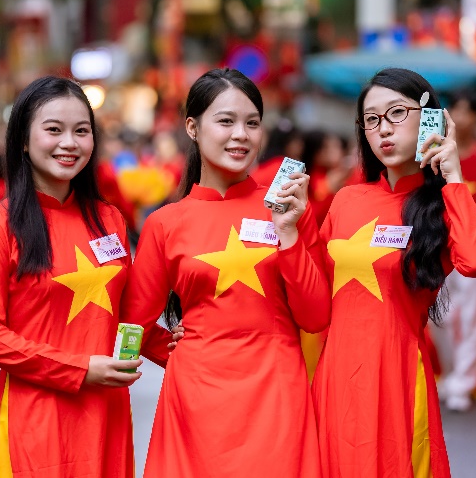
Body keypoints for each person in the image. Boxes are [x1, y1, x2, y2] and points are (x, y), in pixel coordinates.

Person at [120, 68, 329, 477]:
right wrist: (169, 353)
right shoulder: (165, 223)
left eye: (252, 123)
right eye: (226, 121)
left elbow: (316, 316)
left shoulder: (288, 207)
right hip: (195, 398)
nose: (241, 135)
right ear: (193, 128)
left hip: (276, 393)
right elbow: (134, 323)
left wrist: (288, 233)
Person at [312, 68, 476, 477]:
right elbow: (312, 292)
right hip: (335, 377)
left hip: (395, 375)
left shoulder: (438, 207)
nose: (383, 129)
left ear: (429, 117)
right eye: (372, 119)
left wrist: (453, 176)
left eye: (396, 113)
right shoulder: (346, 200)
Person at [0, 76, 141, 478]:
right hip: (37, 418)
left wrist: (189, 341)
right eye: (53, 130)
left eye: (82, 131)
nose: (70, 143)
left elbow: (131, 314)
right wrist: (78, 369)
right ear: (23, 140)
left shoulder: (109, 220)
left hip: (107, 414)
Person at [429, 88, 476, 412]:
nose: (460, 117)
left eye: (467, 111)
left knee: (473, 317)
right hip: (438, 247)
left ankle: (463, 382)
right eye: (455, 110)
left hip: (473, 247)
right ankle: (449, 372)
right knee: (437, 316)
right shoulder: (433, 150)